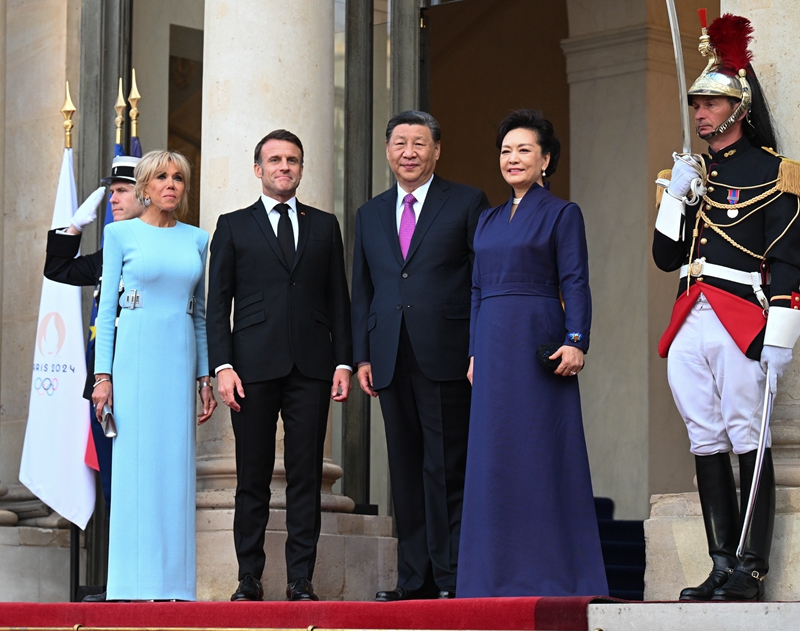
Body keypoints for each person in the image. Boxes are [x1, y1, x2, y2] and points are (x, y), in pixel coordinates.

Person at [653, 13, 800, 602]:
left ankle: (751, 567)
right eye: (696, 104)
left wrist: (782, 330)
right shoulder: (692, 175)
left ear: (737, 108)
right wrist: (675, 197)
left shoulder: (773, 172)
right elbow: (666, 257)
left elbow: (786, 258)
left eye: (710, 103)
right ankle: (720, 563)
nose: (699, 113)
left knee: (746, 433)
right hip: (688, 314)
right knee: (704, 436)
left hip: (740, 314)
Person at [455, 110, 607, 598]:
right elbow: (476, 291)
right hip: (492, 346)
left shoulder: (563, 213)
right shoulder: (487, 218)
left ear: (546, 159)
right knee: (493, 458)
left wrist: (576, 340)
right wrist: (474, 352)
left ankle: (552, 575)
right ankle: (490, 578)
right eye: (506, 151)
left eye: (524, 150)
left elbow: (575, 281)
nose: (512, 158)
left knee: (540, 454)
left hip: (538, 340)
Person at [206, 130, 352, 602]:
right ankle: (249, 577)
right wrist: (221, 365)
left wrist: (344, 361)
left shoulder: (325, 225)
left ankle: (300, 579)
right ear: (258, 169)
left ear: (302, 168)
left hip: (312, 367)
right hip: (250, 368)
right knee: (252, 476)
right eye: (275, 160)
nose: (284, 166)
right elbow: (217, 305)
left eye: (292, 160)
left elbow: (339, 299)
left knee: (306, 476)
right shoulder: (232, 225)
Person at [351, 110, 490, 601]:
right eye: (400, 143)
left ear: (436, 150)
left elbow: (481, 280)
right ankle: (413, 579)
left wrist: (478, 348)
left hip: (447, 353)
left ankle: (451, 577)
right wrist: (362, 356)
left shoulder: (468, 202)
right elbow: (363, 290)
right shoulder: (369, 213)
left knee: (446, 467)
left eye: (419, 143)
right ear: (388, 150)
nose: (408, 152)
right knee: (405, 469)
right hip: (389, 355)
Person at [92, 150, 217, 601]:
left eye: (178, 178)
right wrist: (102, 376)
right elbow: (107, 313)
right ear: (144, 186)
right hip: (135, 357)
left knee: (175, 469)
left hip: (179, 357)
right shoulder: (119, 233)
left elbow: (199, 313)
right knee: (135, 468)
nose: (170, 184)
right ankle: (129, 584)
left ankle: (175, 586)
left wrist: (204, 377)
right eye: (161, 177)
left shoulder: (198, 239)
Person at [44, 154, 144, 603]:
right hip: (104, 386)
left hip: (142, 377)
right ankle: (121, 580)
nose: (112, 200)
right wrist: (73, 228)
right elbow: (58, 270)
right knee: (113, 485)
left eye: (121, 191)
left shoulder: (157, 248)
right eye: (111, 192)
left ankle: (142, 579)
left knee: (140, 482)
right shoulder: (111, 252)